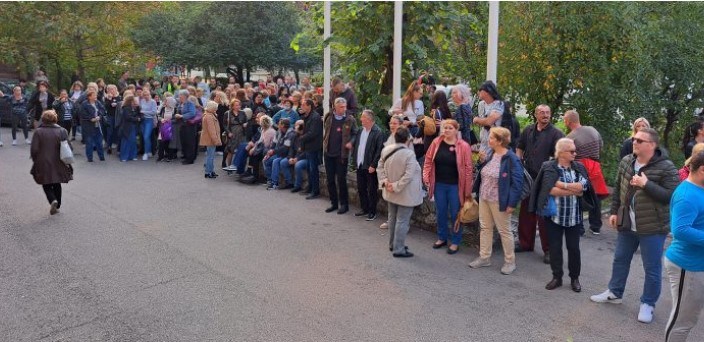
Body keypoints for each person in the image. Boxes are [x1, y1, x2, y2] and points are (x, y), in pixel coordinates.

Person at [590, 128, 679, 324]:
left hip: (653, 227)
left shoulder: (666, 167)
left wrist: (646, 184)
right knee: (620, 259)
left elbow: (672, 196)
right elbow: (618, 188)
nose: (634, 142)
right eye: (634, 139)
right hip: (627, 223)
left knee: (652, 268)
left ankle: (648, 304)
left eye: (640, 140)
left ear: (652, 145)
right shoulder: (627, 161)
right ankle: (615, 292)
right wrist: (614, 211)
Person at [531, 138, 594, 292]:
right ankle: (557, 277)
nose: (575, 153)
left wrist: (562, 185)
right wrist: (573, 189)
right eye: (572, 151)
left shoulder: (578, 167)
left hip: (574, 218)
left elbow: (583, 187)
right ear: (561, 153)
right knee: (555, 248)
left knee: (574, 249)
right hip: (554, 217)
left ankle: (575, 278)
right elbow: (550, 190)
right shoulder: (549, 167)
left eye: (575, 150)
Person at [469, 127, 523, 275]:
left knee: (504, 231)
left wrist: (512, 203)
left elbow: (518, 182)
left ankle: (510, 261)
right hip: (484, 197)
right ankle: (484, 257)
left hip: (500, 200)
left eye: (491, 137)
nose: (488, 140)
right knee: (485, 228)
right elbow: (485, 173)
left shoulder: (511, 158)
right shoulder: (492, 154)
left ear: (499, 141)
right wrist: (481, 162)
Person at [515, 104, 565, 264]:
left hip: (545, 179)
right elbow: (520, 147)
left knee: (545, 216)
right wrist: (518, 161)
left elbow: (562, 156)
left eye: (547, 112)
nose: (545, 115)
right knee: (526, 212)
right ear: (536, 115)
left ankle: (549, 250)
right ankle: (525, 243)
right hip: (528, 177)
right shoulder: (528, 130)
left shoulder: (556, 133)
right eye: (542, 112)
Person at [664, 150, 704, 342]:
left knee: (689, 317)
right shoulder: (687, 195)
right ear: (703, 170)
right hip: (687, 266)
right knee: (682, 321)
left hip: (697, 264)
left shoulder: (700, 189)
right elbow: (680, 230)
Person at [423, 119, 474, 255]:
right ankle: (442, 238)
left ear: (456, 130)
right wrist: (426, 177)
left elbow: (469, 169)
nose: (447, 130)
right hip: (439, 184)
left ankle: (456, 241)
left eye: (450, 128)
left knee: (456, 213)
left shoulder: (463, 146)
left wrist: (468, 190)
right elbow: (428, 160)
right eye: (445, 128)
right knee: (441, 212)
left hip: (456, 186)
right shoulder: (436, 142)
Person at [377, 126, 423, 258]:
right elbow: (408, 175)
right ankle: (399, 248)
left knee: (392, 218)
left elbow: (379, 167)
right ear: (408, 138)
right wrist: (396, 186)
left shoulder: (386, 150)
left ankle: (393, 244)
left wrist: (386, 182)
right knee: (402, 221)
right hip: (405, 194)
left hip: (390, 191)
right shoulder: (409, 154)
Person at [564, 109, 608, 235]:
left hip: (580, 167)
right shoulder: (593, 130)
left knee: (578, 196)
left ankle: (579, 228)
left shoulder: (570, 137)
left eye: (564, 119)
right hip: (595, 165)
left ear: (568, 121)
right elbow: (601, 146)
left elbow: (568, 155)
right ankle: (595, 226)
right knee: (595, 196)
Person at [30, 110, 73, 215]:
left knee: (46, 183)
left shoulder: (38, 132)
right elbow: (69, 147)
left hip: (43, 161)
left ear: (43, 119)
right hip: (59, 160)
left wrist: (36, 159)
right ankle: (57, 204)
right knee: (56, 182)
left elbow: (34, 149)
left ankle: (52, 200)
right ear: (55, 119)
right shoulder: (62, 131)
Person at [323, 97, 358, 215]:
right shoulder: (329, 117)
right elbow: (326, 130)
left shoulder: (350, 119)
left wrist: (351, 142)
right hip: (328, 153)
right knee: (330, 180)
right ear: (335, 107)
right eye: (341, 107)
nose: (344, 109)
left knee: (341, 180)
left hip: (341, 155)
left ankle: (344, 205)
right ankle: (333, 203)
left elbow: (355, 133)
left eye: (345, 106)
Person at [353, 110, 386, 221]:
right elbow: (357, 146)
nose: (360, 119)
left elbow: (379, 150)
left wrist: (373, 165)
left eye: (362, 117)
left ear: (369, 119)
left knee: (371, 190)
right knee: (361, 188)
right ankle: (364, 209)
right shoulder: (360, 131)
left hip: (370, 166)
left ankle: (372, 211)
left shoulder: (378, 132)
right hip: (360, 164)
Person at [296, 99, 323, 198]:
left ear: (309, 106)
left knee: (313, 169)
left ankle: (315, 191)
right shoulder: (306, 116)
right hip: (308, 147)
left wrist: (302, 138)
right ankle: (310, 187)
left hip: (313, 146)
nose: (301, 106)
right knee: (309, 168)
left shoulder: (315, 117)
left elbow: (313, 132)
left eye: (303, 105)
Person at [473, 81, 504, 158]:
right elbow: (484, 122)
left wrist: (476, 119)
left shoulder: (499, 104)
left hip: (496, 142)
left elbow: (489, 121)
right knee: (482, 164)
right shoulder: (481, 105)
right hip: (484, 140)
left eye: (480, 90)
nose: (478, 92)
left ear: (487, 92)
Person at [265, 118, 296, 189]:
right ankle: (274, 183)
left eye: (279, 124)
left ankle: (289, 182)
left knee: (280, 162)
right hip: (281, 154)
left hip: (289, 155)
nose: (278, 125)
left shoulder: (290, 134)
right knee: (271, 160)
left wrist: (273, 151)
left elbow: (286, 148)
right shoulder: (279, 132)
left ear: (283, 125)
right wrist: (270, 151)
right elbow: (274, 143)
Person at [81, 90, 106, 162]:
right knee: (89, 142)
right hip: (88, 126)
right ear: (89, 97)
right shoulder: (84, 104)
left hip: (98, 126)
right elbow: (82, 114)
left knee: (99, 142)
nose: (96, 96)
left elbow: (103, 110)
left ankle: (102, 157)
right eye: (94, 95)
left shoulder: (98, 102)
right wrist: (90, 119)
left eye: (96, 95)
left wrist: (99, 116)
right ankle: (90, 158)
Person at [199, 101, 222, 179]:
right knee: (210, 156)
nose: (216, 109)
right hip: (211, 139)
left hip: (209, 138)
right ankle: (208, 172)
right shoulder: (209, 116)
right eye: (215, 108)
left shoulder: (209, 115)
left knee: (210, 155)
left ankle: (211, 171)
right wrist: (216, 140)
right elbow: (212, 130)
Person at [174, 90, 198, 165]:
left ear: (184, 96)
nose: (179, 97)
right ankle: (185, 155)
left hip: (189, 126)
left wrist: (182, 116)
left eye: (180, 95)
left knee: (189, 142)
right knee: (183, 141)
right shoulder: (180, 104)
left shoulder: (190, 103)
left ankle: (190, 159)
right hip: (182, 125)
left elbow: (192, 113)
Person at [119, 95, 141, 162]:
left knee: (133, 141)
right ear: (130, 101)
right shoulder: (126, 108)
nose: (135, 102)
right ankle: (124, 157)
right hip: (127, 127)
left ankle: (132, 156)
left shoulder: (133, 108)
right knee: (126, 141)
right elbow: (128, 117)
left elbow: (135, 115)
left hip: (132, 126)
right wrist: (137, 119)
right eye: (133, 100)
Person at [139, 88, 158, 160]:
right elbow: (140, 110)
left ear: (150, 95)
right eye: (145, 95)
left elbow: (154, 112)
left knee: (146, 136)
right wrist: (142, 112)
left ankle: (146, 153)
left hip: (149, 120)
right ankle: (149, 150)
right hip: (142, 120)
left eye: (147, 95)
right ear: (143, 96)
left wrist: (144, 112)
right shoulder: (142, 101)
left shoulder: (153, 101)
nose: (146, 96)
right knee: (145, 137)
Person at [157, 96, 177, 162]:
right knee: (161, 141)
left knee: (169, 142)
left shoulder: (175, 109)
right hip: (163, 127)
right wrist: (162, 119)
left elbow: (176, 119)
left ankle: (170, 156)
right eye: (165, 101)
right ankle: (160, 156)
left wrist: (170, 121)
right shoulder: (163, 108)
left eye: (166, 101)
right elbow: (159, 116)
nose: (164, 102)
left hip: (171, 128)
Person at [103, 85, 122, 154]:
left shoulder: (119, 97)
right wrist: (110, 99)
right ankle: (109, 146)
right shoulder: (107, 98)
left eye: (113, 89)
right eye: (110, 89)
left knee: (117, 131)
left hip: (118, 117)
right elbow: (106, 106)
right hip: (110, 116)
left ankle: (117, 145)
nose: (112, 91)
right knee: (110, 131)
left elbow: (121, 105)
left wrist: (117, 104)